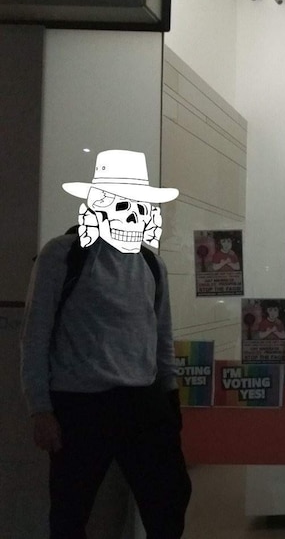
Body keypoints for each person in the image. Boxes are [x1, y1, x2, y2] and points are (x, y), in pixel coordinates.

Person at [20, 150, 191, 538]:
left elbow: (161, 339)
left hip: (144, 403)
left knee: (170, 499)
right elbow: (34, 336)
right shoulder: (60, 256)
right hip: (79, 407)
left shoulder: (152, 265)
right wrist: (39, 409)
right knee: (70, 512)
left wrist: (170, 400)